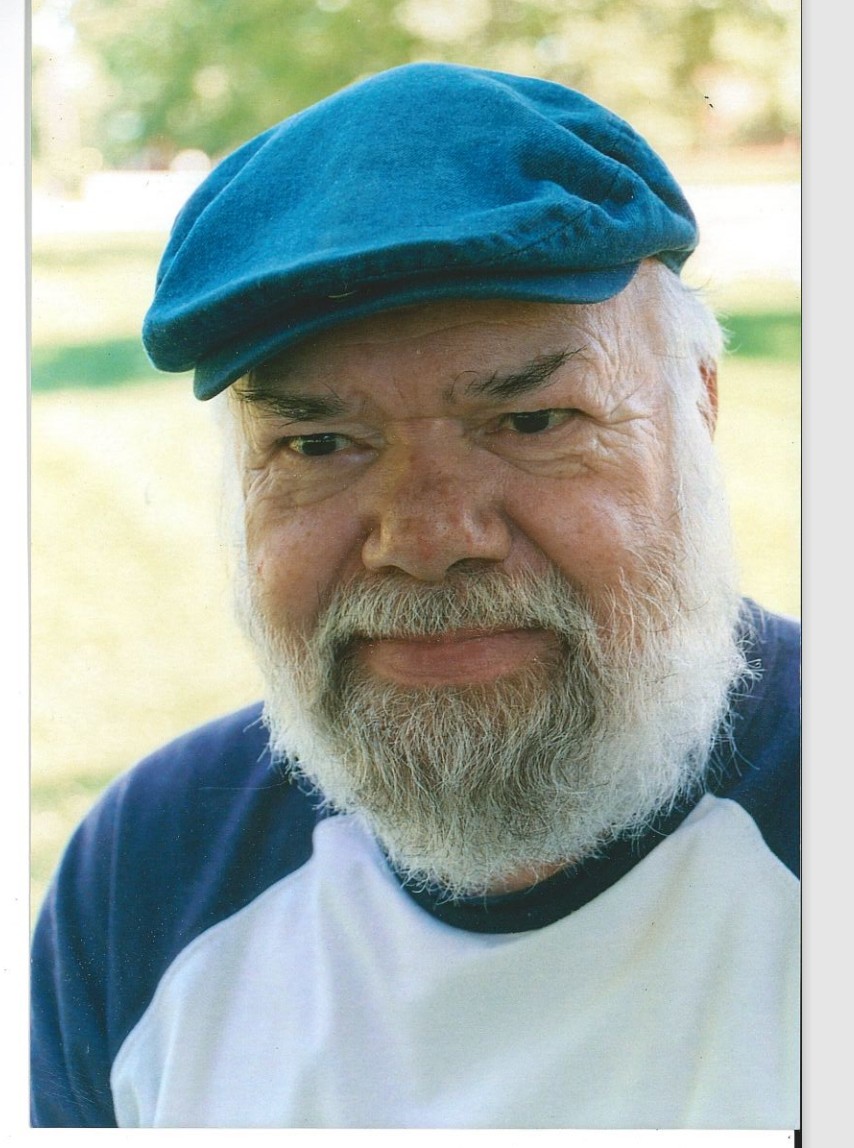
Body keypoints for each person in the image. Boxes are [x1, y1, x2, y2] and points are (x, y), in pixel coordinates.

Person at [30, 62, 800, 1129]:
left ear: (695, 415)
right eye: (318, 443)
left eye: (532, 422)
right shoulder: (151, 875)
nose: (427, 540)